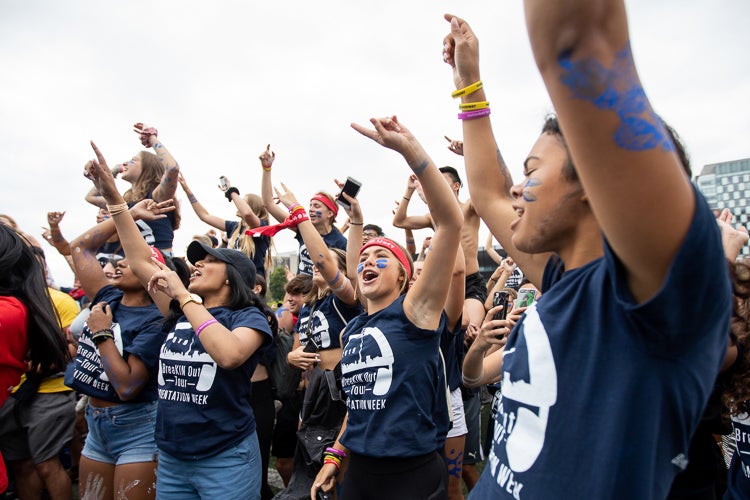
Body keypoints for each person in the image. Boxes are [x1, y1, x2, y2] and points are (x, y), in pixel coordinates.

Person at [443, 9, 730, 498]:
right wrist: (469, 83)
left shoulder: (655, 300)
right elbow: (488, 193)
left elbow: (575, 34)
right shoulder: (564, 280)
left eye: (532, 171)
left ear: (595, 187)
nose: (516, 186)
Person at [85, 140, 276, 500]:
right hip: (172, 456)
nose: (197, 264)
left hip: (225, 457)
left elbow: (230, 355)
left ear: (232, 276)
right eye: (195, 260)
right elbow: (141, 261)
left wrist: (184, 295)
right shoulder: (180, 309)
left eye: (209, 260)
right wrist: (115, 199)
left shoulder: (249, 317)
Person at [312, 115, 463, 499]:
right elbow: (362, 403)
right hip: (359, 472)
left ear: (403, 277)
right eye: (363, 259)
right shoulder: (354, 330)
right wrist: (333, 457)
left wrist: (407, 150)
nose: (366, 263)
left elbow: (449, 224)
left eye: (381, 257)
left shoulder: (416, 313)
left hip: (411, 475)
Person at [65, 199, 175, 500]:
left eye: (131, 259)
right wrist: (126, 215)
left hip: (137, 426)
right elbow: (79, 248)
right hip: (96, 424)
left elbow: (127, 386)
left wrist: (101, 333)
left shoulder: (157, 321)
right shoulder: (107, 297)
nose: (120, 262)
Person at [273, 181, 363, 499]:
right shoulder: (311, 305)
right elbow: (298, 351)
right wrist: (292, 358)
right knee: (313, 469)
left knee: (338, 469)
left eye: (322, 262)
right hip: (314, 395)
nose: (314, 264)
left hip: (343, 395)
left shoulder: (346, 300)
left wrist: (299, 211)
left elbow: (323, 260)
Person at [0, 246, 78, 500]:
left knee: (46, 464)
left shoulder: (60, 301)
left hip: (50, 392)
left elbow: (73, 347)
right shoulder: (11, 303)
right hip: (11, 393)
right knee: (20, 464)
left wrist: (41, 365)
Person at [84, 123, 181, 254]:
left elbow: (172, 168)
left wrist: (151, 137)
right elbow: (91, 197)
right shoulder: (125, 202)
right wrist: (111, 171)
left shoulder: (156, 196)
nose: (125, 163)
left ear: (148, 168)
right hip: (134, 263)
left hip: (159, 262)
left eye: (133, 161)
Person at [259, 145, 347, 276]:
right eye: (310, 205)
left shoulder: (340, 242)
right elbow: (268, 204)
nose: (311, 209)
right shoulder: (304, 227)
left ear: (330, 213)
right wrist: (266, 169)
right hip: (301, 293)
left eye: (317, 206)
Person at [179, 172, 272, 278]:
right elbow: (204, 216)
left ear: (252, 207)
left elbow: (247, 214)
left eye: (242, 202)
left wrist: (230, 191)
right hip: (235, 283)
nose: (237, 204)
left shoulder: (262, 228)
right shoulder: (234, 227)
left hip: (252, 284)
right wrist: (187, 190)